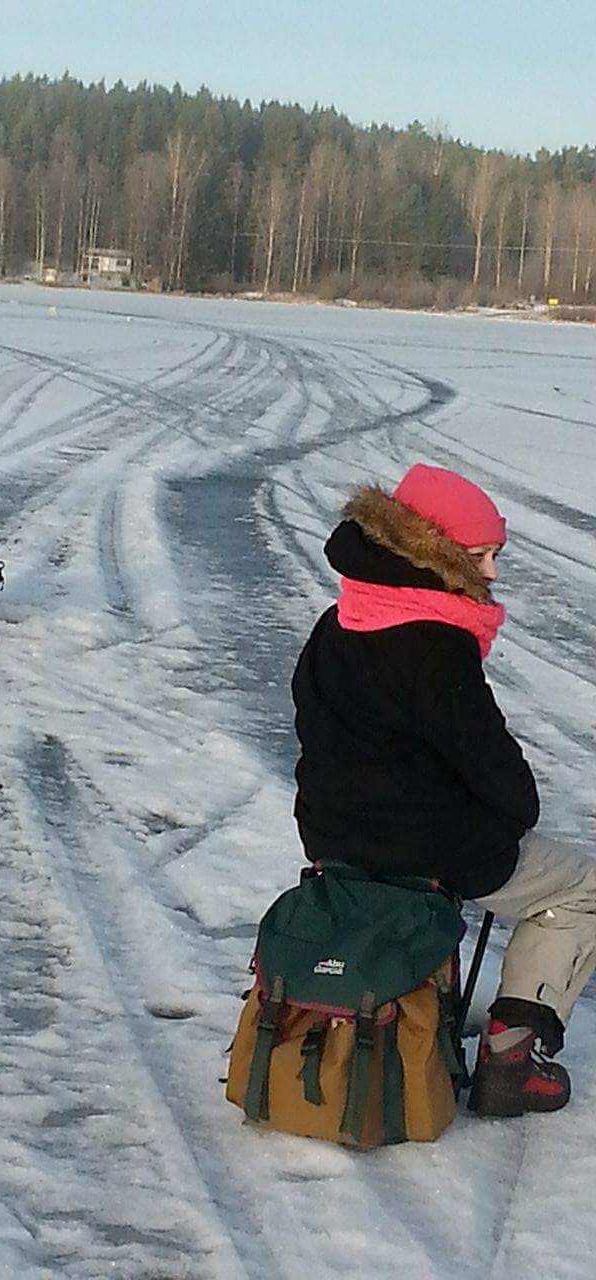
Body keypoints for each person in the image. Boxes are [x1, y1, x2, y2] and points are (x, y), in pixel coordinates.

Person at [291, 462, 596, 1117]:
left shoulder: (339, 622)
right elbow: (496, 771)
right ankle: (512, 1058)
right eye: (480, 556)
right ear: (433, 553)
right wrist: (512, 813)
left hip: (331, 834)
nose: (492, 574)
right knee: (580, 890)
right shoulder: (434, 644)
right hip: (425, 846)